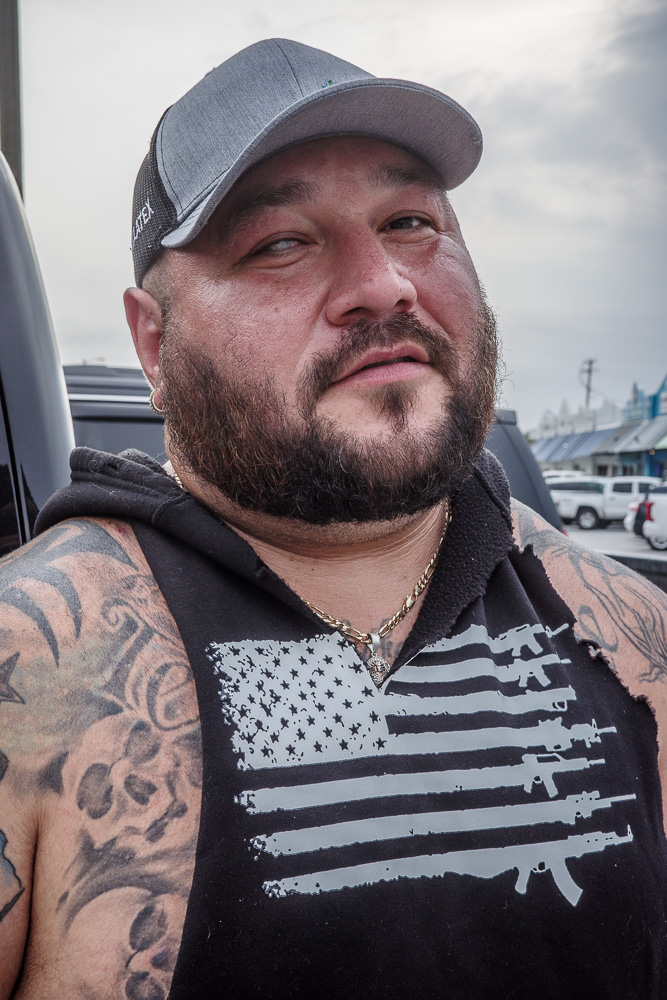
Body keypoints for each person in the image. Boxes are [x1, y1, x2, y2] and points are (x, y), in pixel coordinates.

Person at [1, 38, 666, 1000]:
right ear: (154, 343)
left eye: (410, 222)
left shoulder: (632, 635)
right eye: (281, 243)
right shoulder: (37, 664)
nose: (383, 282)